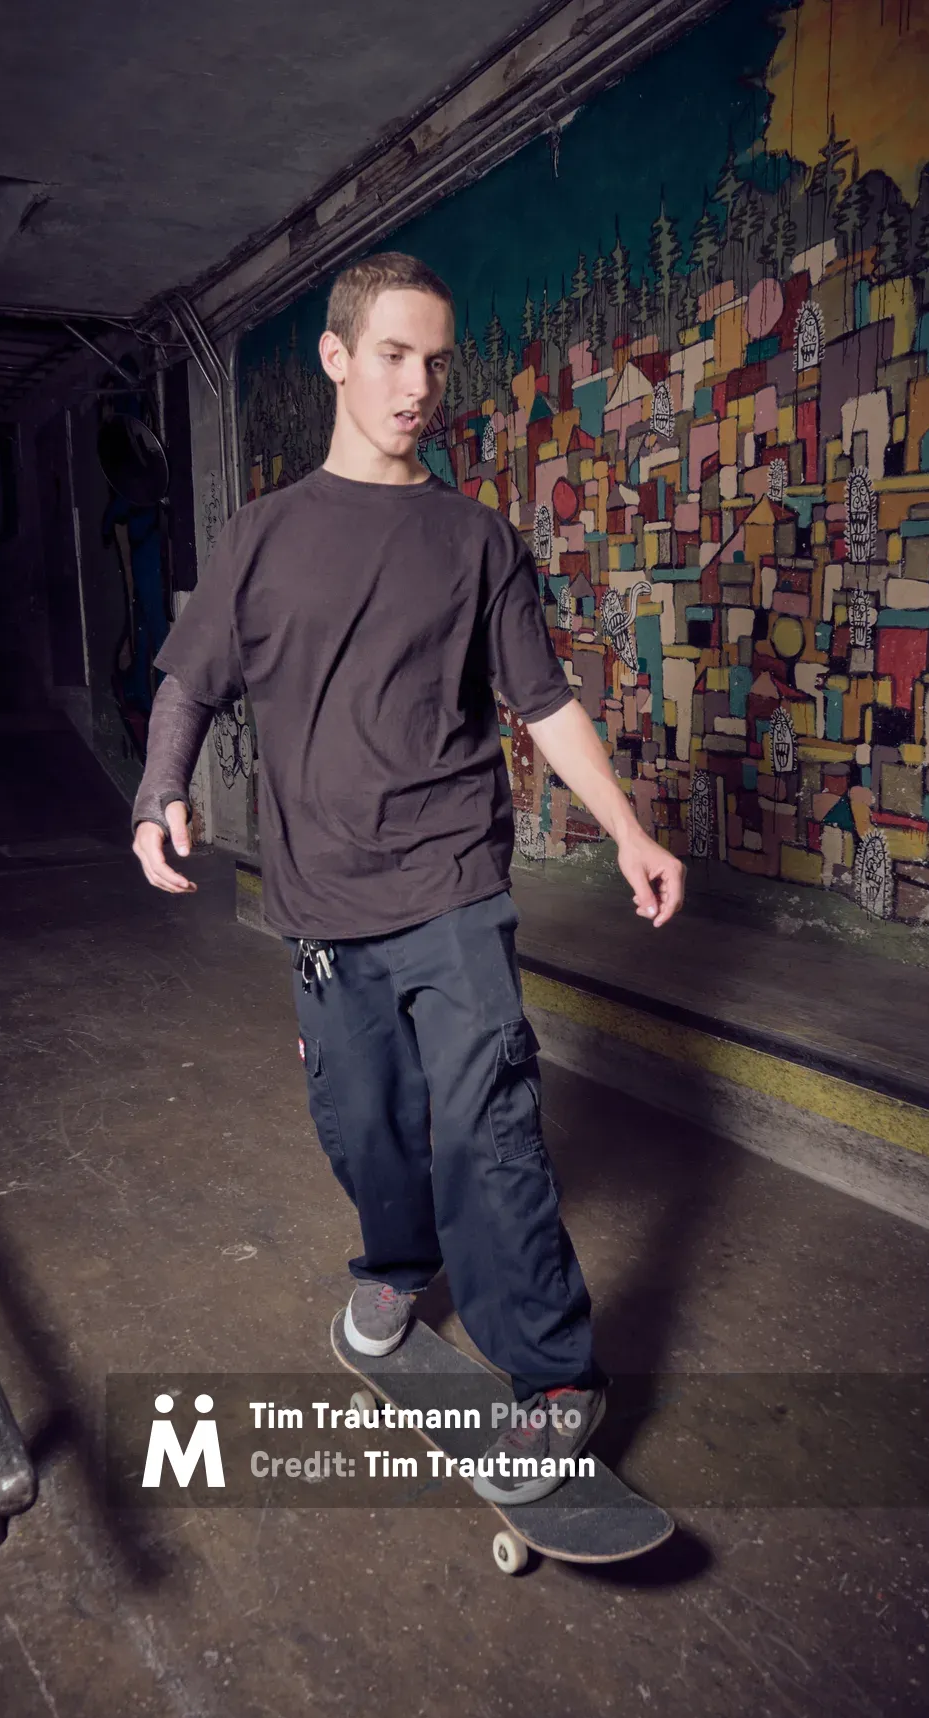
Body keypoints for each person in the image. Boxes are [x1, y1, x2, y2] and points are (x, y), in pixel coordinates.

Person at [132, 252, 684, 1504]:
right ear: (337, 358)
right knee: (365, 1125)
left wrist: (630, 829)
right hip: (322, 905)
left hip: (452, 885)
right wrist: (157, 788)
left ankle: (553, 1380)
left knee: (491, 1125)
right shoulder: (263, 537)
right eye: (393, 355)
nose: (419, 385)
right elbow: (189, 680)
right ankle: (393, 1259)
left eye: (437, 361)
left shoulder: (474, 540)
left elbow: (542, 703)